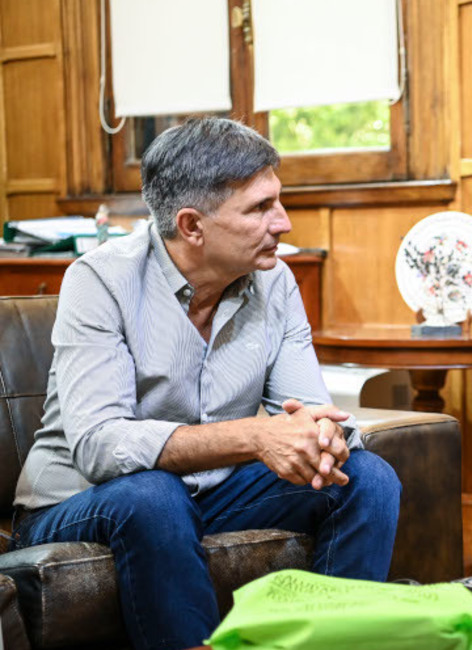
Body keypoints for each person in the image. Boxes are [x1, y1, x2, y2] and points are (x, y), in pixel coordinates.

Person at [11, 118, 401, 650]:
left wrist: (324, 438)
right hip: (79, 503)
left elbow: (310, 411)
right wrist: (257, 436)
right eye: (260, 208)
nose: (283, 223)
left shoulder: (276, 281)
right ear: (192, 225)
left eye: (278, 202)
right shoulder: (100, 280)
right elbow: (99, 446)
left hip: (207, 495)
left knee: (366, 477)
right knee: (152, 495)